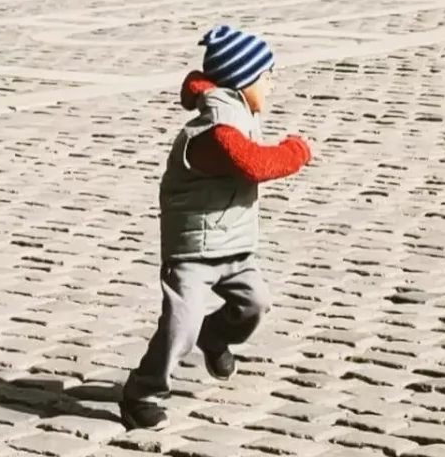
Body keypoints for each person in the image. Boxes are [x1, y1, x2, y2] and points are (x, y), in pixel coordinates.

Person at [119, 23, 312, 433]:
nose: (273, 84)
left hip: (234, 248)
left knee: (255, 304)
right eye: (267, 76)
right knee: (180, 327)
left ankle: (215, 336)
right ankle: (142, 392)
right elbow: (255, 164)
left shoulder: (239, 114)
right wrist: (296, 150)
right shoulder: (218, 130)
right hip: (192, 252)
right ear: (243, 81)